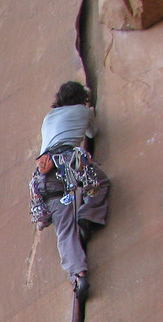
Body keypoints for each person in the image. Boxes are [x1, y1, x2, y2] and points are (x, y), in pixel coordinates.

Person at [29, 81, 110, 299]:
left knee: (64, 229)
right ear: (81, 98)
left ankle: (79, 277)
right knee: (100, 183)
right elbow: (92, 133)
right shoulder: (83, 111)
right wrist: (90, 112)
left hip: (45, 173)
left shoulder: (48, 118)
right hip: (71, 163)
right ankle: (88, 216)